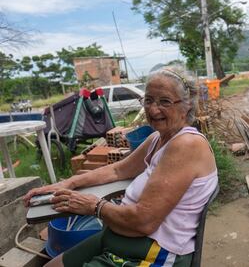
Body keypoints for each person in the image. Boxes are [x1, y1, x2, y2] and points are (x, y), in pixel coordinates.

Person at [24, 66, 218, 267]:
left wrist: (94, 206)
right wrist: (67, 183)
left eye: (165, 102)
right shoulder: (157, 138)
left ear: (186, 106)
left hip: (154, 249)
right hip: (122, 233)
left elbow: (143, 221)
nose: (153, 109)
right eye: (149, 100)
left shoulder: (186, 145)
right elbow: (118, 170)